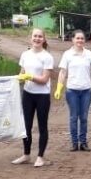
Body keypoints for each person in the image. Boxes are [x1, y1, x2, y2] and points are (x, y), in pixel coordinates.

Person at [55, 29, 91, 151]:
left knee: (84, 118)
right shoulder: (67, 54)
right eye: (77, 38)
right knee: (73, 117)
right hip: (72, 91)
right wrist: (59, 88)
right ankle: (74, 143)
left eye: (82, 38)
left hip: (86, 91)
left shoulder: (89, 54)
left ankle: (83, 142)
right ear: (73, 40)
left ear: (84, 40)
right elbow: (62, 72)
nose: (80, 40)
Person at [13, 28, 54, 167]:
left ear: (44, 39)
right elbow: (21, 74)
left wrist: (30, 77)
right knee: (26, 126)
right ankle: (26, 155)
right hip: (28, 94)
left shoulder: (47, 57)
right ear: (30, 38)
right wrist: (16, 79)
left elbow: (44, 79)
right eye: (35, 36)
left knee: (42, 126)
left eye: (40, 36)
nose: (37, 39)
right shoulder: (25, 55)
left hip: (42, 95)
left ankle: (40, 157)